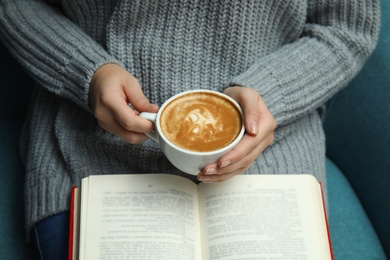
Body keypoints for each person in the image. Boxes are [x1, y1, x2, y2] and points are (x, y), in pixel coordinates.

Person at [0, 0, 380, 259]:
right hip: (90, 140)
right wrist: (86, 70)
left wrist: (270, 94)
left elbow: (346, 29)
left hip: (265, 145)